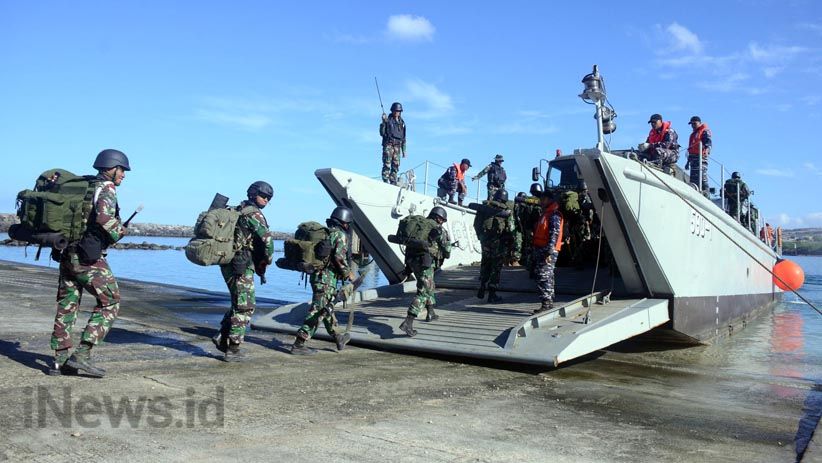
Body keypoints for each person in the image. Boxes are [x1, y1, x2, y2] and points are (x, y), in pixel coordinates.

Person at [49, 149, 131, 377]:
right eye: (122, 169)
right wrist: (119, 232)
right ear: (111, 168)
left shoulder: (85, 186)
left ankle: (59, 361)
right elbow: (104, 218)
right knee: (111, 301)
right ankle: (82, 355)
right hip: (87, 257)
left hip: (66, 252)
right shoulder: (106, 188)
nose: (123, 174)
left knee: (67, 305)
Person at [212, 181, 276, 361]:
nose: (266, 200)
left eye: (269, 198)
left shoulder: (237, 209)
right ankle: (233, 349)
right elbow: (267, 243)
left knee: (237, 302)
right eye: (264, 196)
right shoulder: (255, 214)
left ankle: (222, 337)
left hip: (227, 261)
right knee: (246, 306)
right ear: (254, 194)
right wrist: (266, 263)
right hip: (241, 265)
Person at [291, 206, 357, 354]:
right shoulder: (340, 235)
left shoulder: (326, 233)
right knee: (320, 310)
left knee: (326, 307)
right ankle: (299, 343)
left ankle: (338, 336)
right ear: (345, 221)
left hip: (317, 276)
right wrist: (348, 273)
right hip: (327, 279)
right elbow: (339, 257)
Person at [398, 206, 451, 336]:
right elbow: (447, 251)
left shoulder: (420, 226)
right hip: (424, 262)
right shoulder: (438, 229)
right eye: (443, 220)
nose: (442, 222)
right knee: (423, 291)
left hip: (411, 261)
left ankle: (431, 313)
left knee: (429, 286)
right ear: (438, 218)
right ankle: (408, 322)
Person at [474, 189, 516, 303]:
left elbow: (476, 224)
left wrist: (481, 237)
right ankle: (492, 294)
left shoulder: (484, 208)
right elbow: (511, 228)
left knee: (485, 263)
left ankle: (482, 286)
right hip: (498, 242)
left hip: (485, 241)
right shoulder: (505, 210)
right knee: (495, 268)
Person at [533, 189, 564, 313]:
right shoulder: (547, 213)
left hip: (547, 250)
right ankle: (548, 303)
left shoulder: (554, 214)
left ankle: (546, 304)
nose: (541, 201)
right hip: (542, 249)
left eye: (543, 199)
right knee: (547, 276)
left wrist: (549, 252)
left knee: (543, 276)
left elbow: (554, 235)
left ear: (549, 199)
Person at [379, 102, 406, 185]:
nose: (397, 112)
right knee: (387, 163)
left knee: (396, 165)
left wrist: (404, 150)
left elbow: (404, 137)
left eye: (398, 111)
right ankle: (385, 180)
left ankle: (393, 180)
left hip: (397, 146)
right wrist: (383, 123)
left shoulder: (402, 123)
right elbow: (382, 133)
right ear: (392, 111)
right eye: (395, 111)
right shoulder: (387, 120)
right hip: (389, 145)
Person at [685, 116, 712, 192]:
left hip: (701, 157)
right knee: (693, 177)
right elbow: (690, 148)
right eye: (692, 124)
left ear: (700, 123)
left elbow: (708, 141)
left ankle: (706, 192)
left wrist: (707, 149)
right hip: (693, 159)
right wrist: (688, 162)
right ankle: (695, 191)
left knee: (702, 175)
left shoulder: (705, 131)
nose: (693, 125)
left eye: (695, 123)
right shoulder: (693, 135)